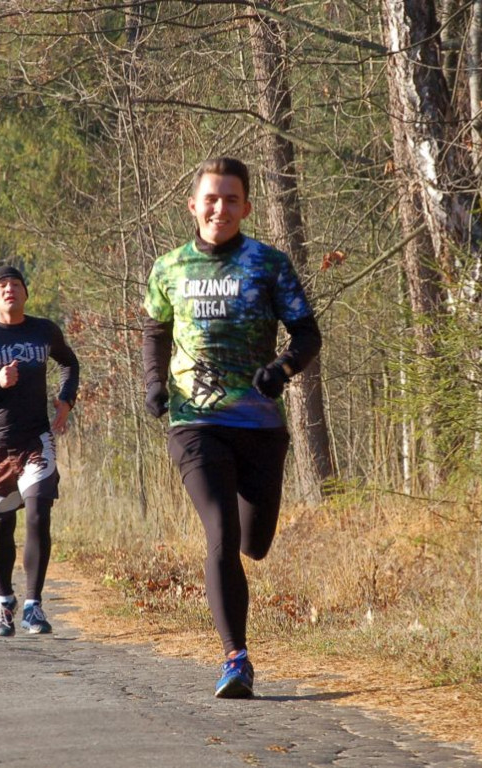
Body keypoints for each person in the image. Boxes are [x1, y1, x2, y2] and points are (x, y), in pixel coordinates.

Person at [142, 157, 321, 698]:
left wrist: (282, 368)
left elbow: (308, 336)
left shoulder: (268, 264)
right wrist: (154, 384)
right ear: (193, 205)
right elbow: (155, 331)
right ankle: (236, 658)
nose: (220, 208)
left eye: (231, 199)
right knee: (219, 532)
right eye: (211, 198)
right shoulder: (168, 268)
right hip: (194, 421)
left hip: (259, 423)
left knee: (254, 542)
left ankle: (245, 560)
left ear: (245, 206)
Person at [0, 265, 79, 637]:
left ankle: (34, 605)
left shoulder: (43, 330)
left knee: (39, 511)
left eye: (16, 285)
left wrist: (65, 401)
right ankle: (5, 601)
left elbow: (69, 362)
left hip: (35, 440)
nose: (9, 290)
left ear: (26, 293)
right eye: (2, 286)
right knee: (1, 527)